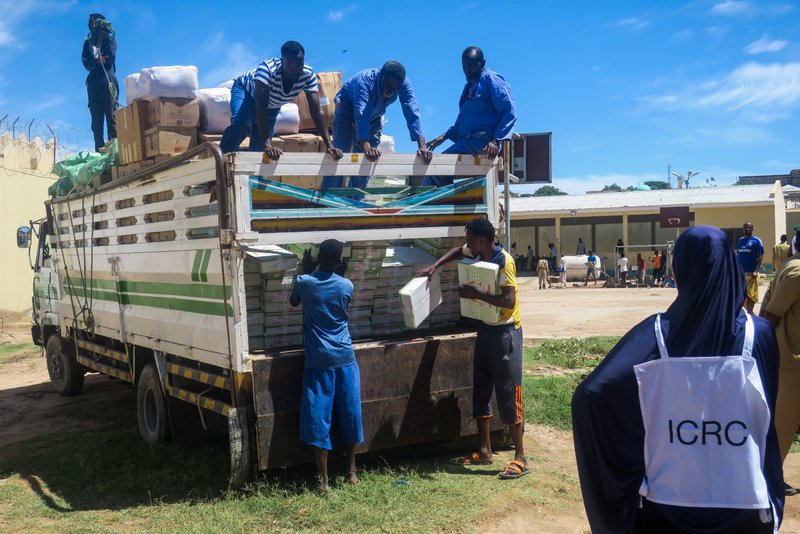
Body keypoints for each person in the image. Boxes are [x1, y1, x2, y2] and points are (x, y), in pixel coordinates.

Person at [572, 226, 784, 533]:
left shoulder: (655, 336)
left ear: (680, 269)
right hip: (745, 509)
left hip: (669, 509)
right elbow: (765, 415)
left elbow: (592, 396)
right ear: (731, 265)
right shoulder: (760, 335)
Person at [416, 218, 527, 479]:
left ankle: (521, 457)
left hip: (506, 333)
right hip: (486, 331)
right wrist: (435, 266)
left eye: (469, 239)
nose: (467, 244)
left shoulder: (504, 261)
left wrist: (474, 295)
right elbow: (457, 251)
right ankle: (485, 449)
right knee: (482, 389)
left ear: (482, 239)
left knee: (509, 393)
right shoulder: (476, 250)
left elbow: (509, 299)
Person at [290, 239, 363, 491]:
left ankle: (323, 480)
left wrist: (306, 269)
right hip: (345, 357)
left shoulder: (305, 282)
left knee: (318, 418)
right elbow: (337, 296)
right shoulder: (347, 286)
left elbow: (293, 301)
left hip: (319, 360)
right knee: (351, 414)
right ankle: (352, 472)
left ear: (318, 256)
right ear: (341, 261)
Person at [220, 41, 341, 160]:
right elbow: (260, 108)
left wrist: (329, 145)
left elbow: (316, 111)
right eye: (290, 65)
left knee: (261, 150)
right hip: (247, 92)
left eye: (299, 64)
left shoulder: (308, 75)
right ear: (282, 61)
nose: (295, 69)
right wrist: (268, 144)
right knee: (240, 123)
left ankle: (254, 179)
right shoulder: (267, 70)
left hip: (272, 106)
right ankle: (219, 163)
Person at [321, 61, 431, 188]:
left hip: (374, 116)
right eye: (388, 87)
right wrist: (366, 145)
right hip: (347, 110)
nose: (391, 91)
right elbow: (361, 114)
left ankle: (356, 201)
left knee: (367, 160)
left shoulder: (404, 83)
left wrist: (422, 147)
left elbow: (412, 110)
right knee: (339, 154)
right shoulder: (365, 80)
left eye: (395, 89)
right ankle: (328, 199)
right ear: (382, 77)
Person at [424, 47, 516, 187]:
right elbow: (461, 122)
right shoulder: (469, 87)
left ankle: (431, 203)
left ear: (482, 63)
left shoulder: (492, 80)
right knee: (436, 167)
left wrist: (496, 141)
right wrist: (443, 137)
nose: (468, 70)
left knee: (438, 167)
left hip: (482, 144)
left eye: (472, 65)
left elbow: (509, 112)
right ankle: (444, 201)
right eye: (465, 67)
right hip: (466, 144)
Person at [760, 227, 800, 496]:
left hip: (789, 358)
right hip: (791, 359)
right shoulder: (796, 272)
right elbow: (772, 314)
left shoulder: (789, 266)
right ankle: (767, 480)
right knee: (782, 425)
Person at [82, 13, 118, 152]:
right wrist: (95, 62)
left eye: (91, 21)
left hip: (107, 81)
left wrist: (104, 38)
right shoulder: (88, 42)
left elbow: (110, 57)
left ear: (98, 22)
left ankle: (113, 152)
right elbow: (85, 62)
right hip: (93, 83)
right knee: (96, 124)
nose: (88, 24)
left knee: (111, 118)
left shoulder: (110, 39)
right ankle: (99, 152)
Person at [736, 221, 764, 313]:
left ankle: (750, 312)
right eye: (746, 227)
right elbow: (739, 254)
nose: (747, 229)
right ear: (743, 229)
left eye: (749, 227)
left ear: (752, 229)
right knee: (740, 294)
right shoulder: (740, 240)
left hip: (751, 273)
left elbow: (760, 256)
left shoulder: (756, 241)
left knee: (751, 294)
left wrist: (756, 270)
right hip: (741, 273)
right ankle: (748, 312)